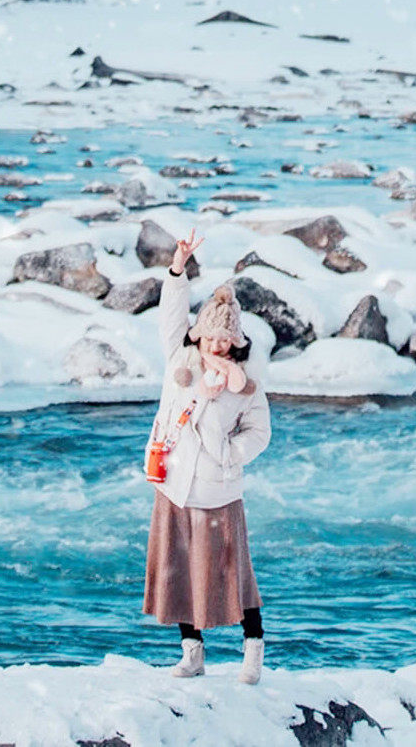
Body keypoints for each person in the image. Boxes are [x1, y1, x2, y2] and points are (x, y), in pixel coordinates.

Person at [142, 229, 272, 683]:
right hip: (175, 482)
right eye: (210, 339)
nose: (216, 348)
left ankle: (252, 649)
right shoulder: (180, 360)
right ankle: (192, 652)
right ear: (200, 336)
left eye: (224, 342)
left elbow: (260, 432)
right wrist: (178, 267)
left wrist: (228, 455)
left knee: (233, 573)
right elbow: (170, 314)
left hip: (219, 488)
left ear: (235, 343)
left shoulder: (246, 384)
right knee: (178, 570)